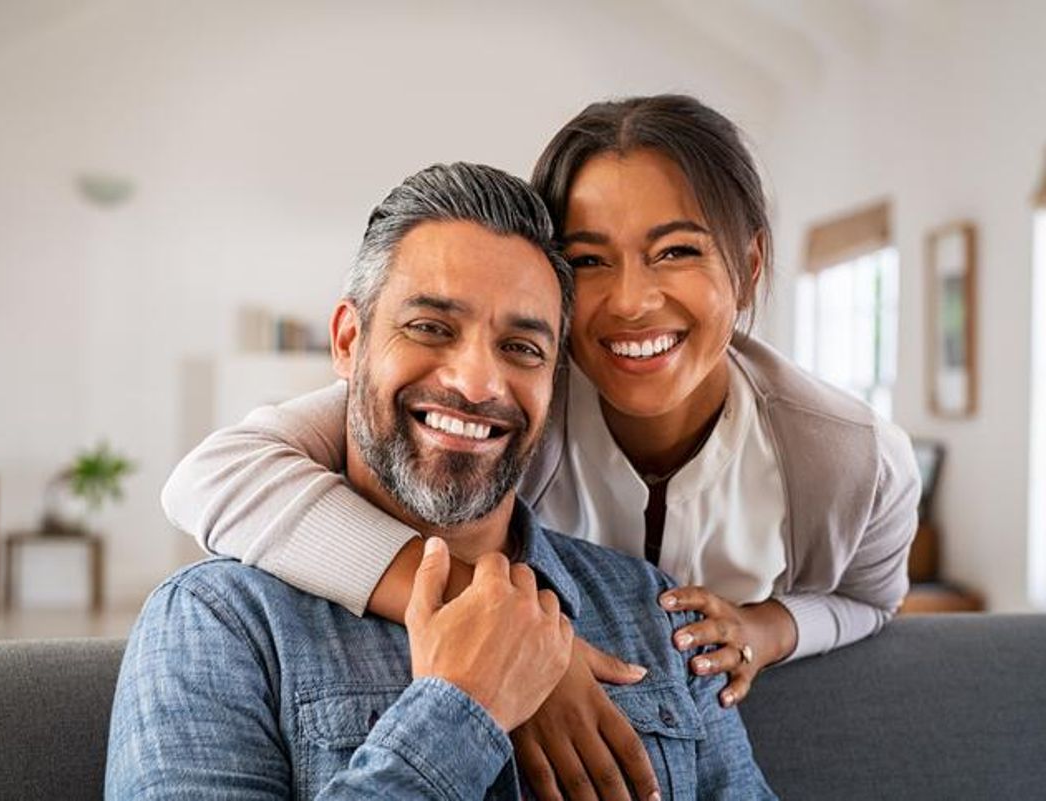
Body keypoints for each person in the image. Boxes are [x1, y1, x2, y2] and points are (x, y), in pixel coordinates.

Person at [162, 95, 919, 798]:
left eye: (677, 250)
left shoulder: (810, 481)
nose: (629, 301)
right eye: (589, 260)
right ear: (349, 341)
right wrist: (490, 661)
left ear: (748, 266)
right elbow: (216, 475)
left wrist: (765, 627)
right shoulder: (225, 624)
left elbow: (869, 599)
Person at [107, 162, 776, 799]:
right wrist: (461, 710)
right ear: (348, 341)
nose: (477, 382)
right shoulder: (219, 623)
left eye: (522, 348)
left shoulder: (656, 614)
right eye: (430, 327)